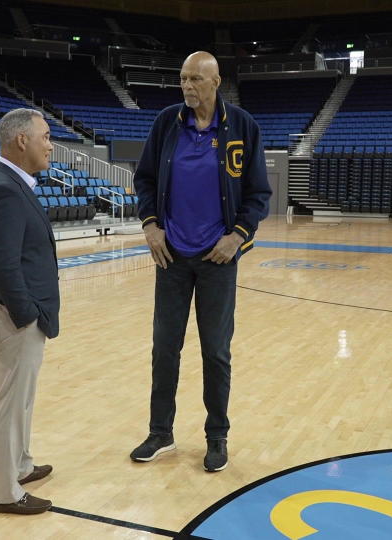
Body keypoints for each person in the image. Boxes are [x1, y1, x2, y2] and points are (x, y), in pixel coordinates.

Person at [129, 51, 272, 472]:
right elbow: (145, 179)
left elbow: (258, 194)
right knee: (164, 349)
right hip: (171, 255)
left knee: (215, 351)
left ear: (216, 82)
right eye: (183, 79)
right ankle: (161, 432)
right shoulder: (167, 123)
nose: (188, 87)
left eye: (195, 79)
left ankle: (217, 436)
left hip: (218, 259)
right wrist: (151, 225)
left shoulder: (242, 126)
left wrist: (238, 236)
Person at [0, 108, 59, 514]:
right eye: (44, 136)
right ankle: (5, 493)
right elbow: (3, 264)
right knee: (9, 403)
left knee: (21, 399)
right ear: (21, 140)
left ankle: (20, 465)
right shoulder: (4, 188)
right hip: (14, 316)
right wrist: (26, 314)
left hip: (21, 313)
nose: (50, 144)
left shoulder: (12, 183)